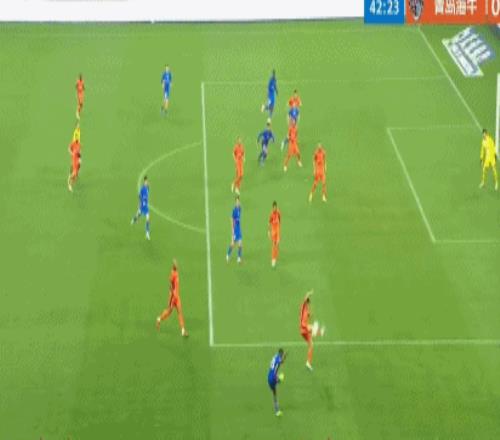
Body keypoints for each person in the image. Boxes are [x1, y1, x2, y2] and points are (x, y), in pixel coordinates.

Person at [156, 260, 189, 337]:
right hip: (173, 297)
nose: (177, 265)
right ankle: (159, 319)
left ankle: (183, 331)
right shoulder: (173, 274)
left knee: (180, 312)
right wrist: (171, 296)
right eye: (176, 264)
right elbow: (171, 286)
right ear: (174, 266)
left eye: (177, 264)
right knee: (169, 312)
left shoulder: (176, 272)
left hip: (177, 297)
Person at [131, 176, 151, 240]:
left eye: (147, 181)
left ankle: (147, 233)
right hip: (142, 206)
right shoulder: (142, 189)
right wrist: (140, 203)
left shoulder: (148, 188)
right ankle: (134, 220)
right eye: (146, 181)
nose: (147, 182)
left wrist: (146, 201)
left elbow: (147, 196)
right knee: (138, 215)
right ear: (144, 181)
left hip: (146, 206)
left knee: (148, 219)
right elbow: (139, 196)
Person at [267, 348, 286, 416]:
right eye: (282, 354)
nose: (283, 355)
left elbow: (279, 362)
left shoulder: (275, 356)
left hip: (269, 377)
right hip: (273, 378)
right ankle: (277, 411)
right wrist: (279, 379)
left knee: (274, 393)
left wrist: (284, 356)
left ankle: (277, 410)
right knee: (281, 378)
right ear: (281, 354)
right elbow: (281, 361)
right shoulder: (278, 359)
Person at [300, 290, 314, 371]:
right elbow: (305, 298)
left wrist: (310, 315)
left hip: (304, 330)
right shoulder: (303, 307)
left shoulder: (306, 310)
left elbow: (308, 315)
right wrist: (309, 293)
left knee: (311, 345)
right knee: (313, 328)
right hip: (303, 328)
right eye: (308, 303)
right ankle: (320, 332)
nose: (308, 305)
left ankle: (308, 363)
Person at [226, 196, 243, 263]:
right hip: (235, 229)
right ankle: (228, 255)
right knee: (233, 244)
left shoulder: (239, 208)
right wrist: (233, 229)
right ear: (235, 202)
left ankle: (239, 258)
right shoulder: (234, 210)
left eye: (238, 201)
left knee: (240, 244)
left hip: (239, 228)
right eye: (237, 201)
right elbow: (231, 219)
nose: (238, 202)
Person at [268, 201, 281, 268]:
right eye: (274, 207)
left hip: (278, 231)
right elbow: (269, 222)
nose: (275, 209)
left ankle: (275, 256)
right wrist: (268, 231)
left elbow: (280, 220)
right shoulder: (271, 214)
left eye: (276, 207)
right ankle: (273, 260)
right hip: (273, 232)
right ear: (272, 208)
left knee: (277, 245)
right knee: (274, 245)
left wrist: (278, 229)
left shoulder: (278, 213)